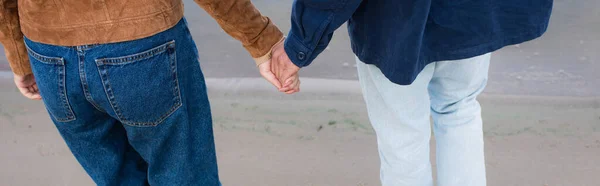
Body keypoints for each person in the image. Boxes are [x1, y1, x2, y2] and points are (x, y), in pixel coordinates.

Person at [0, 0, 296, 185]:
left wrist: (18, 58)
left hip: (49, 54)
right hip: (142, 43)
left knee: (116, 177)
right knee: (181, 175)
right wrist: (260, 39)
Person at [270, 0, 553, 185]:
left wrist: (301, 45)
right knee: (459, 111)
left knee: (403, 140)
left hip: (393, 21)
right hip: (473, 13)